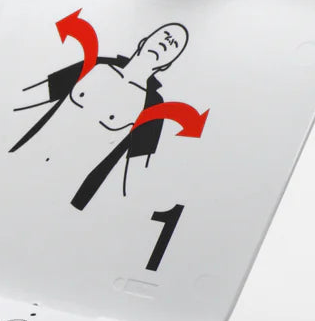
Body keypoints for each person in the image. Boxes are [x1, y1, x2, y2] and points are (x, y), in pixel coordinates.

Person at [10, 23, 189, 209]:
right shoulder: (97, 64)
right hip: (21, 160)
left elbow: (134, 171)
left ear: (167, 64)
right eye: (165, 36)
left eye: (174, 45)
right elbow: (35, 96)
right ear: (143, 41)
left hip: (61, 194)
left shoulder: (153, 106)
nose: (166, 43)